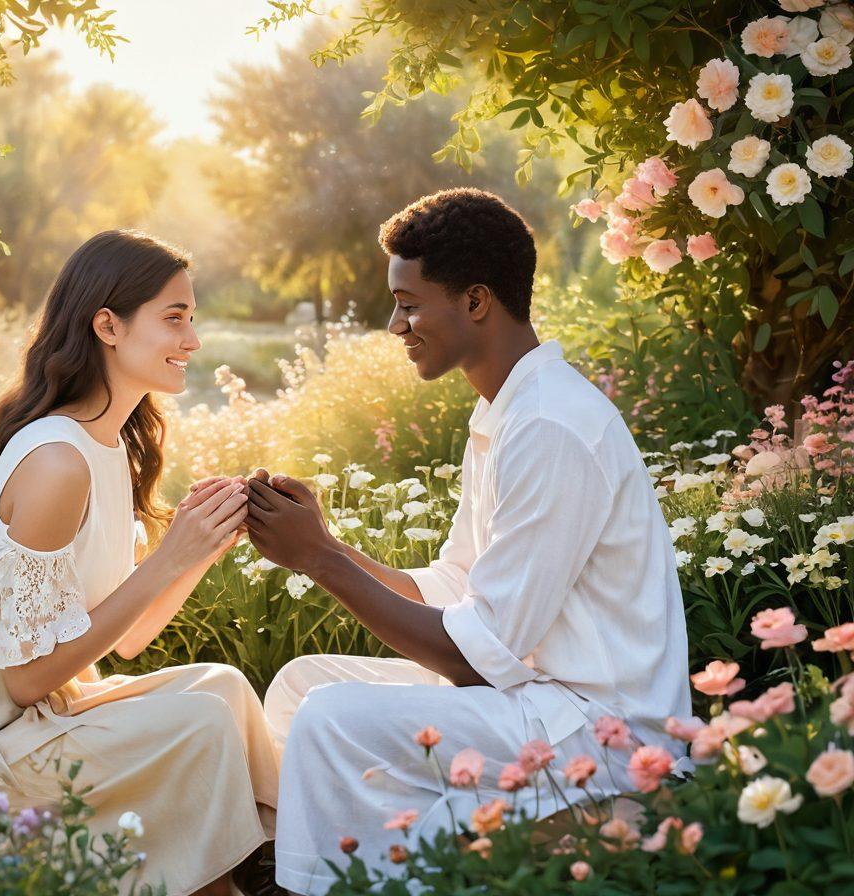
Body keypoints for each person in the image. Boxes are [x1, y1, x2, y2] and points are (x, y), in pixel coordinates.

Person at [245, 189, 692, 893]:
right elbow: (457, 587)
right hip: (540, 696)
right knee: (305, 687)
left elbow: (479, 657)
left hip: (601, 732)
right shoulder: (504, 413)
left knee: (331, 720)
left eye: (410, 303)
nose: (396, 324)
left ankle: (326, 883)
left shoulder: (550, 426)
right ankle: (356, 866)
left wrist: (319, 561)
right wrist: (326, 542)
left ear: (477, 301)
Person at [0, 230, 279, 896]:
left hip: (24, 707)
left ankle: (264, 862)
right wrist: (168, 556)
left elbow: (130, 639)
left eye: (191, 318)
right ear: (108, 325)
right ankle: (221, 884)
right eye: (174, 317)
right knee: (199, 722)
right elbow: (27, 679)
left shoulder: (109, 447)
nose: (193, 340)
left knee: (222, 688)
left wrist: (202, 550)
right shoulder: (59, 461)